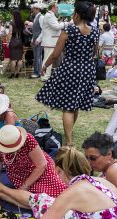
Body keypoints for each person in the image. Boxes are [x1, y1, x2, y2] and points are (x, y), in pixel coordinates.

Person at [0, 146, 117, 219]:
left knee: (42, 201)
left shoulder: (72, 193)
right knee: (44, 200)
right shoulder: (101, 181)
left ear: (57, 170)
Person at [36, 1, 99, 146]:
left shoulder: (69, 31)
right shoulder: (95, 31)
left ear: (76, 14)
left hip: (71, 69)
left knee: (68, 107)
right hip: (87, 69)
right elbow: (95, 52)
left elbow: (55, 55)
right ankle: (69, 133)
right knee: (75, 104)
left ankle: (69, 141)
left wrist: (45, 66)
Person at [0, 125, 68, 198]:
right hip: (19, 175)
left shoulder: (28, 139)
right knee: (36, 198)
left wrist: (25, 186)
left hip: (42, 170)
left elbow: (41, 165)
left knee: (59, 194)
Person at [82, 132, 117, 200]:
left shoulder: (113, 171)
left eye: (93, 158)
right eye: (86, 158)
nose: (88, 162)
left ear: (109, 154)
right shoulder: (114, 166)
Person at [40, 2, 68, 81]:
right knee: (47, 59)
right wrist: (66, 23)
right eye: (57, 7)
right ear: (53, 7)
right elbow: (56, 27)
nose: (58, 9)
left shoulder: (50, 15)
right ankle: (45, 76)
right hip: (50, 41)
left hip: (50, 40)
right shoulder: (49, 15)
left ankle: (46, 75)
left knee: (48, 58)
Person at [7, 9, 24, 79]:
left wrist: (8, 42)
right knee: (19, 59)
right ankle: (17, 73)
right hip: (20, 41)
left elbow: (10, 33)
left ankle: (12, 74)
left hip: (13, 41)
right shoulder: (21, 22)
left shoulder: (12, 22)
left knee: (13, 59)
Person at [30, 3, 45, 79]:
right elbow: (35, 30)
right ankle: (37, 71)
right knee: (36, 56)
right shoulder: (36, 17)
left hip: (39, 40)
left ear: (37, 9)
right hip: (35, 40)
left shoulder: (41, 17)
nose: (32, 10)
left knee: (38, 56)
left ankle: (38, 72)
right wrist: (33, 39)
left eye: (34, 8)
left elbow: (43, 30)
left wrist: (39, 39)